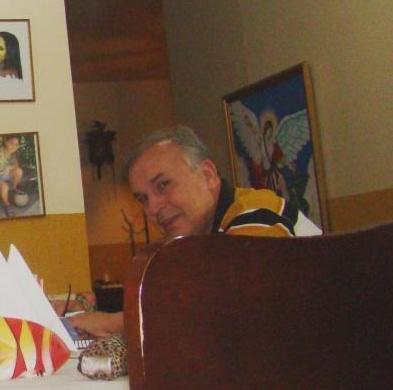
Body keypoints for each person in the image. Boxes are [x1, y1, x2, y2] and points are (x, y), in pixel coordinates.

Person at [71, 125, 322, 338]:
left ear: (208, 175)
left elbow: (234, 303)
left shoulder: (255, 211)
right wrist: (86, 304)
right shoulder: (194, 242)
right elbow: (164, 298)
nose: (153, 208)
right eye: (143, 199)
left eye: (163, 185)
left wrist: (113, 324)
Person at [0, 134, 25, 217]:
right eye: (11, 143)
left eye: (16, 145)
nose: (13, 146)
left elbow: (16, 166)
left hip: (7, 175)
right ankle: (7, 205)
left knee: (19, 171)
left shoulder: (13, 153)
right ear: (6, 142)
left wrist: (8, 168)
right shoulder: (0, 152)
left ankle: (13, 188)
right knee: (5, 187)